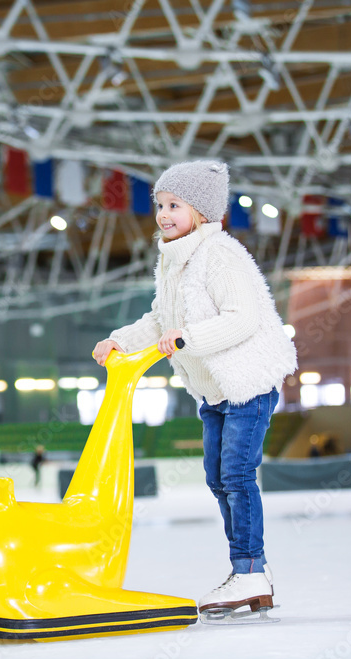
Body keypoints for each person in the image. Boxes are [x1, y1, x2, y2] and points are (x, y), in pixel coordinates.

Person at [92, 160, 297, 617]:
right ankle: (249, 571)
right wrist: (119, 341)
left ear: (201, 212)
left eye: (174, 205)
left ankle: (248, 571)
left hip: (247, 381)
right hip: (213, 391)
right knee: (216, 478)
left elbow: (242, 318)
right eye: (160, 205)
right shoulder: (171, 258)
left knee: (236, 476)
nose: (164, 214)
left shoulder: (220, 254)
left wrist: (188, 339)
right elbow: (159, 320)